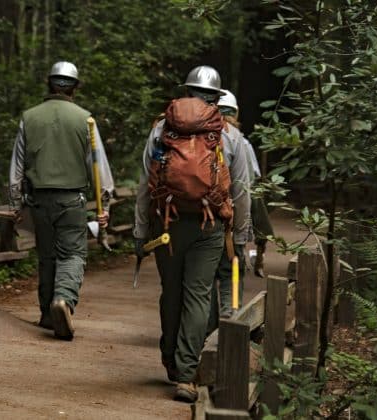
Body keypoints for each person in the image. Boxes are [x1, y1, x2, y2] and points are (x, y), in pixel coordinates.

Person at [133, 66, 251, 402]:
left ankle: (170, 359)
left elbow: (146, 184)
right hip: (208, 225)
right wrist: (239, 237)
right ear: (216, 96)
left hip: (166, 224)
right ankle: (186, 374)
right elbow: (242, 191)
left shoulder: (161, 129)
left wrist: (141, 230)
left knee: (171, 290)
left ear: (186, 91)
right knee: (198, 294)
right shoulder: (230, 135)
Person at [9, 61, 114, 341]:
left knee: (47, 256)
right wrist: (105, 204)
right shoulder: (85, 119)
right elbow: (98, 165)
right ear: (75, 87)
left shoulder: (29, 117)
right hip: (72, 200)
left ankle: (46, 313)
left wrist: (16, 204)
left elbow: (17, 167)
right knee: (73, 254)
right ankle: (63, 300)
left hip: (39, 200)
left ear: (49, 83)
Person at [208, 89, 262, 332]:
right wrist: (242, 231)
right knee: (231, 273)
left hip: (201, 218)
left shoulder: (201, 136)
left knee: (204, 280)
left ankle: (205, 330)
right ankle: (229, 323)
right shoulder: (239, 140)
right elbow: (246, 187)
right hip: (229, 221)